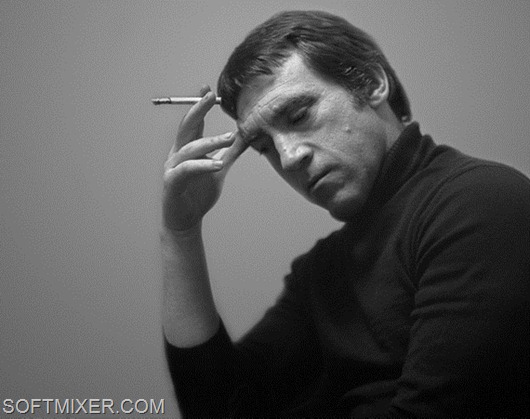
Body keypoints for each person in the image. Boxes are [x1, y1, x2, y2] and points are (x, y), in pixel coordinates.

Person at [161, 10, 529, 417]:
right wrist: (182, 233)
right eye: (264, 146)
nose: (288, 156)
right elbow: (217, 407)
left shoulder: (479, 204)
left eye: (299, 115)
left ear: (371, 83)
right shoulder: (323, 271)